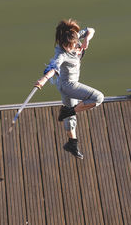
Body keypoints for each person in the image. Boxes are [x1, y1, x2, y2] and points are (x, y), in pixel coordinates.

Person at [34, 19, 104, 159]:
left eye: (71, 45)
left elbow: (91, 30)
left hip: (66, 85)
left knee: (70, 117)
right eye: (67, 46)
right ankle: (68, 111)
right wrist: (44, 79)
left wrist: (87, 41)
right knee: (98, 98)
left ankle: (72, 143)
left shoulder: (76, 38)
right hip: (68, 85)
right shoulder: (61, 54)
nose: (70, 48)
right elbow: (54, 67)